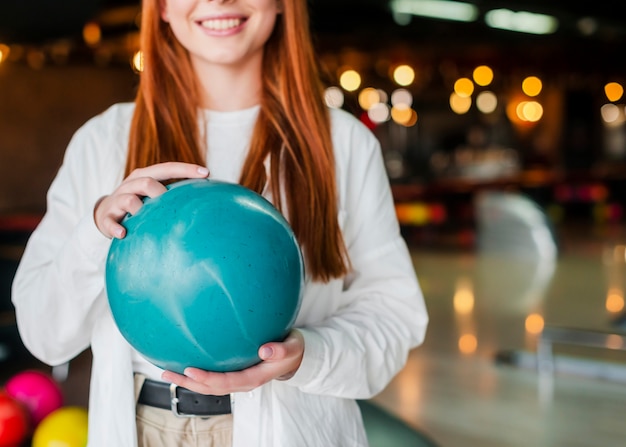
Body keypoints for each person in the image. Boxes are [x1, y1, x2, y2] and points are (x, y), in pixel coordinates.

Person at [11, 0, 428, 445]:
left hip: (292, 429)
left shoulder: (342, 143)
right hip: (141, 427)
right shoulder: (103, 140)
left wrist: (309, 354)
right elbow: (44, 336)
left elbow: (394, 316)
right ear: (163, 8)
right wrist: (96, 232)